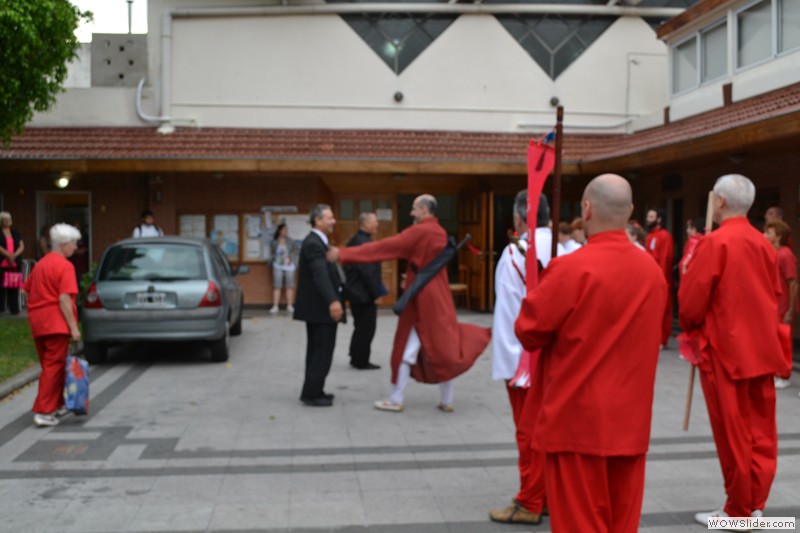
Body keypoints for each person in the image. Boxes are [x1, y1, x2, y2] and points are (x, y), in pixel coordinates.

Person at [514, 174, 667, 533]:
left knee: (580, 524)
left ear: (586, 209)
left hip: (576, 420)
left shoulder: (570, 268)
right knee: (621, 523)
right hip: (630, 422)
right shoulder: (651, 271)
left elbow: (528, 331)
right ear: (630, 211)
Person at [679, 174, 786, 525]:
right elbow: (775, 294)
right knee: (761, 431)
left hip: (725, 349)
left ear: (720, 202)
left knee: (733, 432)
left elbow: (691, 303)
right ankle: (755, 502)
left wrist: (692, 327)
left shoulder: (715, 243)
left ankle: (738, 509)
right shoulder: (762, 243)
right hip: (761, 347)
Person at [327, 194, 491, 412]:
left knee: (405, 348)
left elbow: (383, 248)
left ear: (424, 210)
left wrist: (344, 253)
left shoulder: (419, 232)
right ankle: (447, 400)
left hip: (420, 298)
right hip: (439, 297)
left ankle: (396, 399)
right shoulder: (439, 231)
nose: (411, 212)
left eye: (414, 208)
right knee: (444, 347)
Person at [488, 189, 547, 526]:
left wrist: (513, 363)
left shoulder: (516, 253)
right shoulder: (571, 249)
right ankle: (546, 493)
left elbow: (511, 311)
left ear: (520, 217)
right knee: (549, 430)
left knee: (529, 432)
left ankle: (530, 499)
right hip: (559, 360)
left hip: (525, 358)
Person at [21, 224, 82, 427]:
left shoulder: (41, 264)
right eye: (73, 243)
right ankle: (44, 410)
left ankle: (56, 404)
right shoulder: (65, 266)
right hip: (56, 323)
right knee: (54, 366)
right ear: (63, 245)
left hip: (38, 322)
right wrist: (73, 327)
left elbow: (25, 290)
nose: (76, 247)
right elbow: (64, 299)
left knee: (49, 365)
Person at [293, 204, 344, 407]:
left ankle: (315, 389)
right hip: (320, 309)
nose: (333, 221)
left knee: (319, 351)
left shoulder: (319, 242)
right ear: (318, 220)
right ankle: (312, 393)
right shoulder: (314, 243)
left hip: (319, 309)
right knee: (321, 352)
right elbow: (320, 275)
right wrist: (333, 301)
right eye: (329, 218)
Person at [344, 212, 383, 370]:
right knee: (367, 327)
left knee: (360, 325)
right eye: (374, 221)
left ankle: (355, 355)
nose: (377, 224)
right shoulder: (363, 243)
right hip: (363, 292)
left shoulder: (356, 240)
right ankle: (361, 360)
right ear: (365, 224)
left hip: (356, 291)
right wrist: (376, 293)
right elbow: (367, 271)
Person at [764, 220, 797, 389]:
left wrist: (791, 309)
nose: (764, 235)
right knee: (774, 341)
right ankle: (776, 371)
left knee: (783, 341)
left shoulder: (785, 255)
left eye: (768, 233)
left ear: (778, 236)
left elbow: (793, 283)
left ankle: (784, 375)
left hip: (782, 306)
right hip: (773, 305)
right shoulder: (773, 252)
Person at [645, 208, 675, 347]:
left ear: (659, 219)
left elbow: (665, 259)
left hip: (660, 279)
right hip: (649, 278)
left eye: (651, 217)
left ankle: (662, 339)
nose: (648, 219)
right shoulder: (650, 236)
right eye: (648, 216)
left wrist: (660, 278)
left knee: (663, 310)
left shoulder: (664, 236)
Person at [269, 223, 299, 313]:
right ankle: (275, 306)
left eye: (287, 229)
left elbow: (296, 251)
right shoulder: (274, 241)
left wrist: (292, 259)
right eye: (284, 229)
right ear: (279, 231)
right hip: (277, 265)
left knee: (289, 286)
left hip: (289, 266)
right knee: (277, 286)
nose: (286, 231)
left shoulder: (290, 241)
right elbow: (272, 252)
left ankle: (290, 305)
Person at [0, 211, 25, 315]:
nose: (6, 221)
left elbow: (21, 246)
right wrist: (7, 255)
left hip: (14, 263)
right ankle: (1, 309)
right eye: (4, 219)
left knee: (14, 286)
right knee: (1, 287)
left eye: (8, 219)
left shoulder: (15, 232)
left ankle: (14, 309)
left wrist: (14, 255)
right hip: (2, 263)